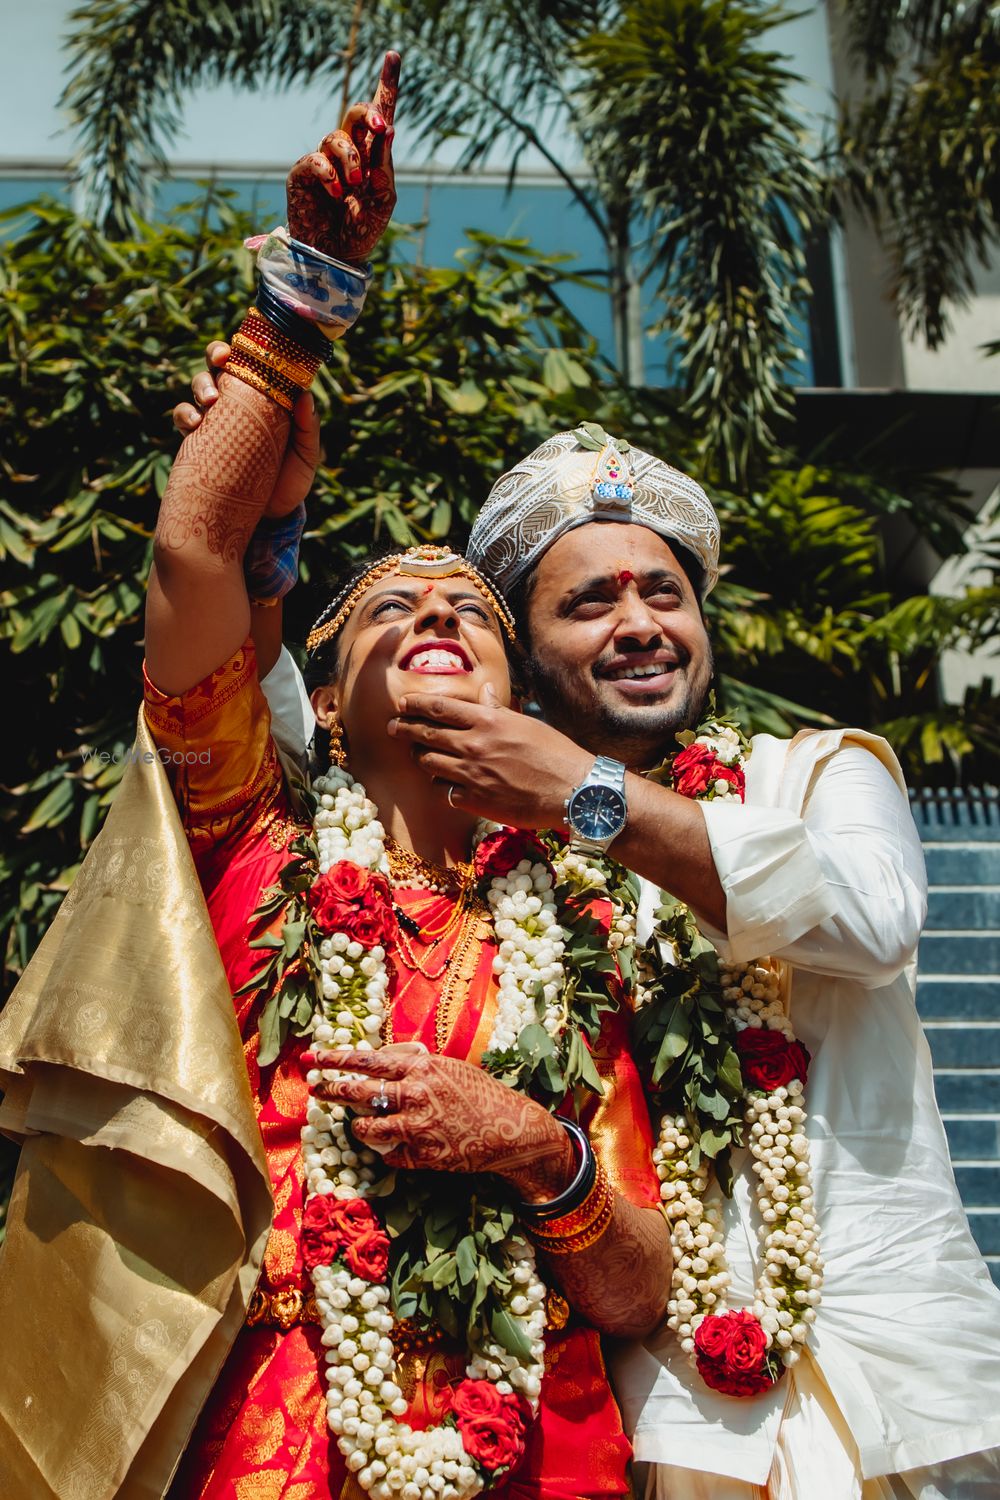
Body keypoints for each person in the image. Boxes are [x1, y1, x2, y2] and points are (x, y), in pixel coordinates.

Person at [0, 56, 673, 1500]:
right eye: (387, 609)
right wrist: (300, 300)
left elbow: (639, 1291)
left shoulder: (591, 918)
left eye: (468, 613)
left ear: (519, 694)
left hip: (534, 1449)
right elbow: (196, 554)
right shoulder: (255, 844)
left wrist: (537, 1150)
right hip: (267, 1441)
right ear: (338, 701)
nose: (434, 614)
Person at [186, 422, 1000, 1492]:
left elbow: (874, 918)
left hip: (896, 1375)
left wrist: (588, 795)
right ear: (523, 661)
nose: (639, 625)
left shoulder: (810, 774)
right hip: (677, 1417)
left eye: (664, 593)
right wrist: (262, 511)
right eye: (588, 602)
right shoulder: (505, 860)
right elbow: (297, 714)